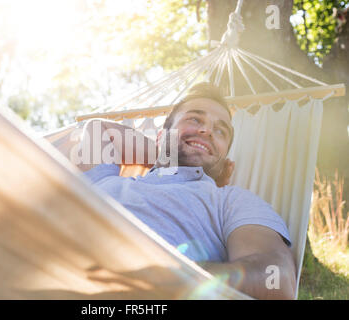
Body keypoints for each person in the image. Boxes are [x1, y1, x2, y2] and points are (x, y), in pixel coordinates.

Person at [68, 82, 296, 299]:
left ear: (226, 160)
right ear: (160, 136)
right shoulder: (105, 181)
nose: (206, 130)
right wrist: (165, 152)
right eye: (195, 119)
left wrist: (174, 277)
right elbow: (99, 129)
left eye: (220, 131)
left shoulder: (232, 201)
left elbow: (278, 279)